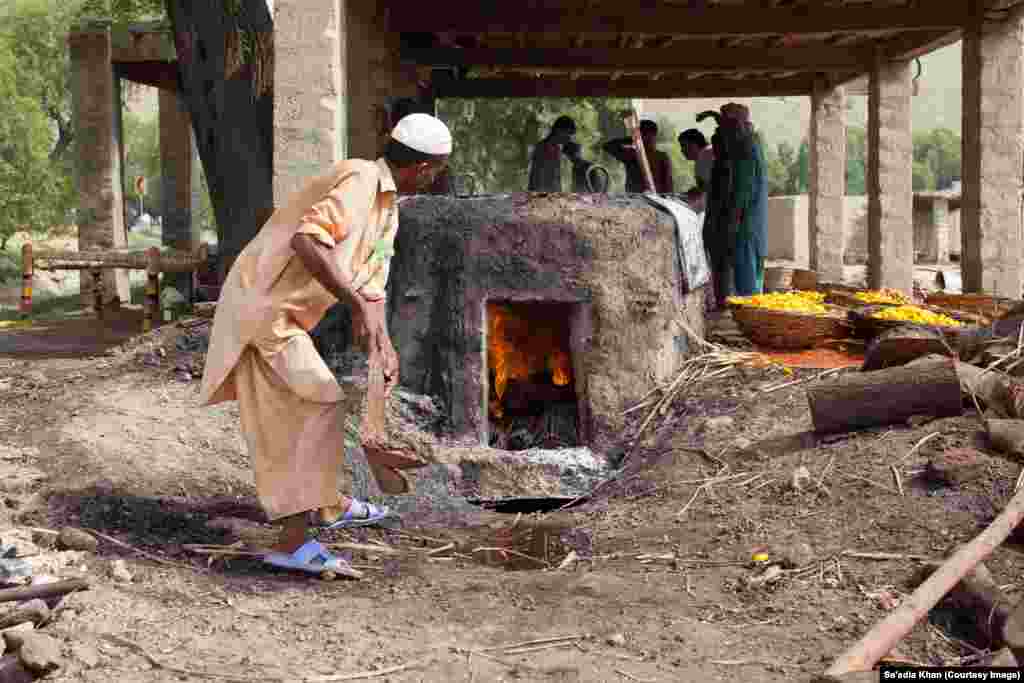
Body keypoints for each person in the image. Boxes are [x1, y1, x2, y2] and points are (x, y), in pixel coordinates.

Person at [199, 113, 452, 578]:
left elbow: (373, 287)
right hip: (263, 308)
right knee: (316, 403)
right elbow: (308, 239)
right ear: (425, 168)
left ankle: (326, 504)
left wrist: (384, 346)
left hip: (284, 316)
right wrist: (352, 302)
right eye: (439, 171)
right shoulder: (359, 178)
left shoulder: (388, 210)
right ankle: (293, 543)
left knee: (314, 402)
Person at [720, 103, 768, 296]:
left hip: (745, 227)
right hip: (754, 227)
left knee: (748, 291)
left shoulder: (745, 149)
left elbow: (743, 193)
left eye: (726, 126)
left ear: (736, 125)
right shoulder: (752, 145)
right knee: (752, 285)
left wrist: (733, 222)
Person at [601, 119, 673, 194]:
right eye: (639, 134)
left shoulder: (662, 157)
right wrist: (631, 139)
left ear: (653, 135)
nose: (641, 137)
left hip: (655, 200)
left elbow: (669, 185)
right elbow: (607, 146)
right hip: (635, 200)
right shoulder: (632, 154)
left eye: (643, 134)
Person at [528, 116, 577, 192]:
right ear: (559, 130)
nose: (569, 138)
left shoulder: (556, 148)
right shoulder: (543, 147)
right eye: (569, 133)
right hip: (541, 197)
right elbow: (537, 178)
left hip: (552, 197)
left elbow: (556, 178)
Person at [678, 128, 715, 211]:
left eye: (684, 146)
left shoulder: (704, 156)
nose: (682, 150)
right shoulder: (709, 152)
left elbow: (711, 188)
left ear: (693, 144)